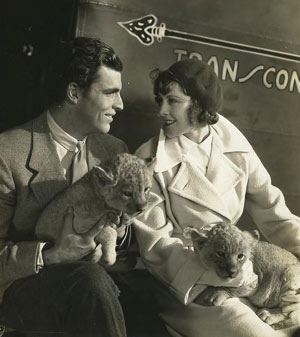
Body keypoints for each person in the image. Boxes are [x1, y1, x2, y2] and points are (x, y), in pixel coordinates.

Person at [0, 37, 167, 337]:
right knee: (91, 283)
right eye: (110, 93)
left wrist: (120, 226)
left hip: (95, 287)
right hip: (23, 290)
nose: (121, 104)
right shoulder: (7, 152)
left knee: (153, 305)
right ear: (74, 92)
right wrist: (49, 255)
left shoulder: (115, 149)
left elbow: (120, 235)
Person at [134, 58, 300, 337]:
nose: (162, 110)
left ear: (198, 105)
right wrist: (221, 279)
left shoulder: (236, 147)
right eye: (159, 99)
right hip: (188, 285)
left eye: (173, 101)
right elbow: (156, 247)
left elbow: (274, 213)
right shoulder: (149, 157)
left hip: (244, 278)